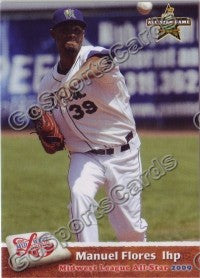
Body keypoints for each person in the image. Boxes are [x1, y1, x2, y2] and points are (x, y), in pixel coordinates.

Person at [38, 7, 148, 242]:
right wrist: (44, 128)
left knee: (130, 232)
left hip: (123, 154)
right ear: (53, 35)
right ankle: (88, 261)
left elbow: (101, 63)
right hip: (84, 156)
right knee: (80, 195)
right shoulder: (47, 85)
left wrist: (75, 79)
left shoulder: (95, 55)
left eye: (76, 30)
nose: (71, 35)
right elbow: (51, 130)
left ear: (83, 33)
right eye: (64, 30)